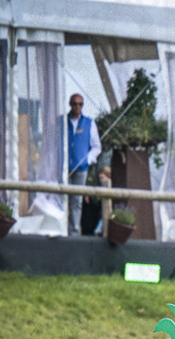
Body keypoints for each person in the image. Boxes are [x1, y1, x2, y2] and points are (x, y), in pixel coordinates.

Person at [66, 94, 102, 236]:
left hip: (81, 169)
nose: (77, 107)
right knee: (61, 198)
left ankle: (73, 232)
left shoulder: (89, 123)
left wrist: (87, 159)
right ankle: (61, 229)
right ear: (70, 104)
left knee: (77, 201)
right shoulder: (62, 121)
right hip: (64, 167)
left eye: (80, 104)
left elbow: (96, 147)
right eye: (75, 104)